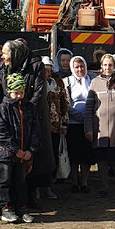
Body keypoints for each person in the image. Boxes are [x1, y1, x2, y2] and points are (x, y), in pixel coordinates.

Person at [3, 39, 55, 205]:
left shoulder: (36, 65)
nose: (3, 57)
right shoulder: (8, 66)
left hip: (33, 116)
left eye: (6, 53)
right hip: (13, 115)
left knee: (34, 157)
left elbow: (39, 92)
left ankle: (31, 196)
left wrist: (26, 111)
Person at [85, 53, 115, 197]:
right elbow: (89, 108)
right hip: (100, 129)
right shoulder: (95, 83)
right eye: (105, 65)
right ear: (101, 66)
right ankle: (104, 187)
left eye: (110, 65)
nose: (107, 67)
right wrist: (88, 128)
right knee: (102, 159)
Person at [0, 72, 40, 223]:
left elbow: (35, 130)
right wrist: (15, 150)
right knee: (5, 180)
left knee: (21, 182)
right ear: (9, 91)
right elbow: (0, 132)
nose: (19, 96)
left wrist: (30, 150)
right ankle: (5, 207)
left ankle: (22, 208)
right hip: (7, 154)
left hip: (24, 154)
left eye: (22, 92)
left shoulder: (30, 108)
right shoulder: (3, 108)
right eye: (16, 93)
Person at [63, 55, 97, 193]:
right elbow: (66, 103)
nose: (80, 69)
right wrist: (81, 116)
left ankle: (84, 181)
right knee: (74, 155)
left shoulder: (92, 80)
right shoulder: (67, 82)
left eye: (82, 66)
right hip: (74, 123)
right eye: (76, 67)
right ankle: (74, 182)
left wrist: (89, 118)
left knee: (87, 154)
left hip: (89, 124)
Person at [41, 57, 66, 200]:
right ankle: (38, 188)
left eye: (49, 70)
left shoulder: (57, 83)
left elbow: (64, 102)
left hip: (55, 127)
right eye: (45, 71)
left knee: (53, 158)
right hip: (41, 127)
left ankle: (49, 186)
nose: (47, 73)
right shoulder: (36, 83)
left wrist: (64, 123)